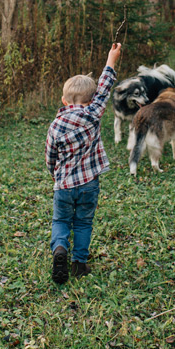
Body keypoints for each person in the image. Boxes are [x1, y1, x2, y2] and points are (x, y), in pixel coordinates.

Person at [45, 43, 122, 284]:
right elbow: (105, 87)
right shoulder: (93, 113)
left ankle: (60, 249)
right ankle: (79, 263)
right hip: (89, 184)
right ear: (91, 101)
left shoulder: (56, 125)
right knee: (83, 222)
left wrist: (54, 175)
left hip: (64, 186)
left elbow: (50, 157)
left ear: (63, 100)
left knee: (60, 220)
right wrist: (111, 58)